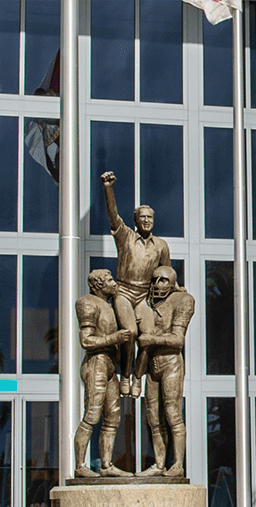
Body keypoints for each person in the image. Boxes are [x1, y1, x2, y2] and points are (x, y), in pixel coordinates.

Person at [101, 170, 171, 399]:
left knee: (148, 337)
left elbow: (167, 273)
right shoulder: (126, 237)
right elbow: (113, 215)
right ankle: (126, 375)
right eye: (142, 218)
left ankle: (139, 377)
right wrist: (108, 188)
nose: (146, 221)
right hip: (124, 292)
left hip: (144, 297)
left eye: (150, 217)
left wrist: (176, 290)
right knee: (130, 332)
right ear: (135, 221)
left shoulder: (161, 245)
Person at [134, 266, 194, 477]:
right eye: (155, 280)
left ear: (171, 283)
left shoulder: (183, 300)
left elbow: (178, 340)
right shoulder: (148, 303)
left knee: (172, 414)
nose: (158, 284)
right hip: (152, 364)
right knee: (153, 417)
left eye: (163, 280)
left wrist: (152, 339)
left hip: (170, 362)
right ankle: (159, 464)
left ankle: (177, 464)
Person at [73, 269, 133, 478]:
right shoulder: (87, 303)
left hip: (109, 364)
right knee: (91, 415)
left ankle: (106, 465)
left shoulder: (110, 305)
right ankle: (80, 466)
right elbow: (86, 341)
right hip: (96, 361)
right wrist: (114, 338)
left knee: (113, 418)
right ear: (97, 285)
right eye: (109, 280)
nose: (114, 283)